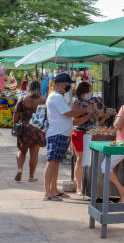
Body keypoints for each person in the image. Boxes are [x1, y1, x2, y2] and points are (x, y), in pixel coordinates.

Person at [44, 73, 86, 201]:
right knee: (52, 163)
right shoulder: (56, 97)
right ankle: (47, 193)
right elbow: (69, 113)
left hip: (61, 133)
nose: (70, 87)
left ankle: (54, 189)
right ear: (62, 84)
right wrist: (86, 110)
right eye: (68, 84)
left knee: (56, 163)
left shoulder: (59, 97)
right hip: (57, 133)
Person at [71, 82, 113, 195]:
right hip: (80, 134)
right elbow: (75, 121)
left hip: (92, 133)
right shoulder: (76, 104)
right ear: (83, 92)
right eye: (89, 90)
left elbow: (97, 122)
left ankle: (89, 186)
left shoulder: (92, 103)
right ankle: (79, 187)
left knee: (91, 160)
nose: (91, 93)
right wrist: (89, 115)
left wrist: (106, 115)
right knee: (80, 160)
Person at [13, 80, 46, 182]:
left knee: (21, 151)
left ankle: (19, 169)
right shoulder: (43, 100)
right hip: (37, 128)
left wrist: (14, 123)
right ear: (39, 88)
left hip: (24, 128)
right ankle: (31, 177)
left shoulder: (22, 99)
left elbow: (16, 115)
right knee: (34, 154)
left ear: (28, 87)